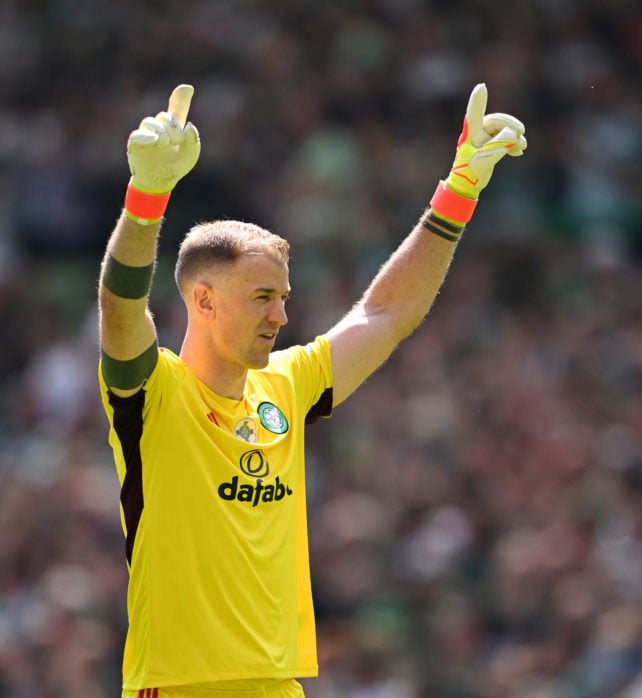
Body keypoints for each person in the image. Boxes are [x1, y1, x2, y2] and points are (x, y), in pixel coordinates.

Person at [97, 82, 526, 698]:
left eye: (284, 299)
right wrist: (147, 199)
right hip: (183, 685)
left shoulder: (288, 385)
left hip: (279, 685)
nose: (280, 317)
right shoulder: (154, 394)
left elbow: (385, 315)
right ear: (205, 300)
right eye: (263, 298)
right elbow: (120, 308)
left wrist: (458, 192)